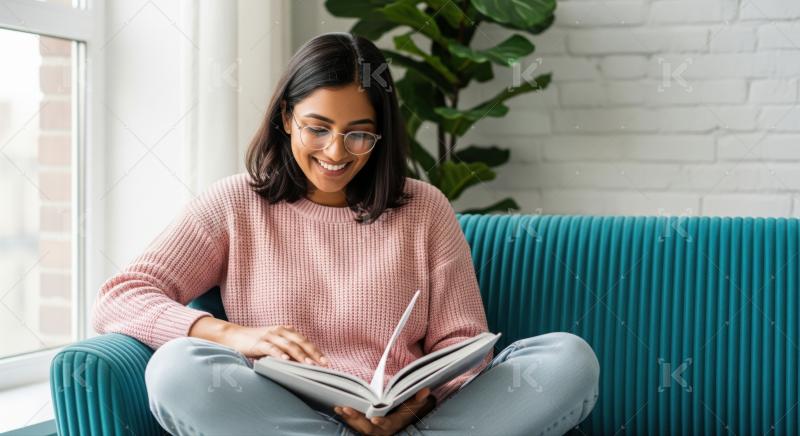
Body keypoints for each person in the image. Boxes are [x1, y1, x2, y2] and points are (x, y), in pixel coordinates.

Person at [93, 32, 599, 436]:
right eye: (318, 128)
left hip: (415, 421)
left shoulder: (425, 209)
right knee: (177, 370)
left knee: (568, 360)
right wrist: (234, 335)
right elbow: (120, 299)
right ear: (286, 118)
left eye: (359, 132)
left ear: (381, 134)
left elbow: (463, 346)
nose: (337, 153)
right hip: (287, 418)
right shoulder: (234, 202)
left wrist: (417, 407)